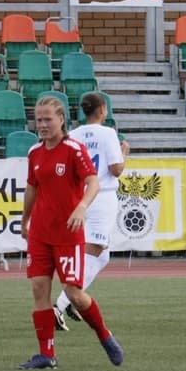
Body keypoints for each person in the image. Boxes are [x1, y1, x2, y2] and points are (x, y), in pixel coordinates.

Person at [18, 95, 123, 369]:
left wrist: (81, 207)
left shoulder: (74, 149)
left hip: (68, 233)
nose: (42, 124)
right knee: (39, 288)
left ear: (61, 119)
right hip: (41, 232)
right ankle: (46, 355)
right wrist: (24, 220)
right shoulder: (35, 152)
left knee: (74, 293)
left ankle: (103, 334)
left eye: (47, 119)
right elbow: (32, 188)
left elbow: (93, 183)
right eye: (38, 119)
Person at [53, 92, 127, 331]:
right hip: (102, 196)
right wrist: (125, 152)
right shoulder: (108, 134)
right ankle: (62, 303)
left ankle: (74, 297)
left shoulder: (72, 135)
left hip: (80, 197)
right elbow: (116, 169)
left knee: (101, 254)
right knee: (94, 249)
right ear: (103, 109)